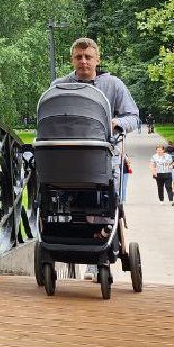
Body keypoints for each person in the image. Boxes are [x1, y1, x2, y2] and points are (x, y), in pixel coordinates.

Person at [50, 37, 140, 270]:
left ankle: (99, 253)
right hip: (68, 157)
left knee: (104, 202)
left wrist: (116, 122)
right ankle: (65, 242)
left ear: (97, 59)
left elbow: (133, 117)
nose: (83, 61)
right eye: (79, 57)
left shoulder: (113, 85)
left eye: (88, 57)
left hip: (104, 155)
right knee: (66, 202)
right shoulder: (60, 86)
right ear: (72, 60)